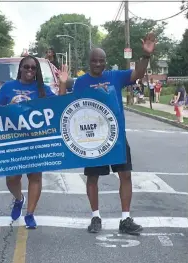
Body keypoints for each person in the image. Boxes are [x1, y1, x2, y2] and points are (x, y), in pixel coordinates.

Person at [60, 33, 156, 235]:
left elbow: (137, 74)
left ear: (105, 62)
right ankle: (95, 217)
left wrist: (145, 56)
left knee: (125, 175)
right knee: (93, 178)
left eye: (101, 60)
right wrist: (62, 83)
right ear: (89, 62)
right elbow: (64, 106)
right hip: (92, 139)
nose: (97, 64)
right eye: (94, 60)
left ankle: (125, 219)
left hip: (117, 138)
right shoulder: (81, 83)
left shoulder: (115, 76)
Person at [0, 55, 68, 229]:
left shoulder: (42, 89)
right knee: (12, 178)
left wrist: (63, 83)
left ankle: (30, 214)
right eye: (26, 67)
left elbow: (58, 105)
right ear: (20, 68)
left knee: (35, 176)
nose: (29, 70)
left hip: (35, 141)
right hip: (13, 140)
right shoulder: (8, 87)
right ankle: (19, 199)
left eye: (33, 68)